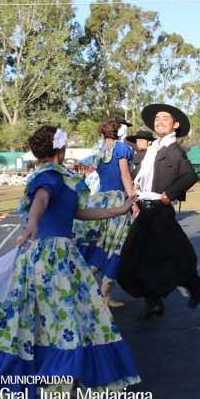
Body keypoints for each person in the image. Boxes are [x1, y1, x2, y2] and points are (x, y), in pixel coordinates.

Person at [0, 125, 140, 399]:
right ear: (60, 149)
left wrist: (119, 210)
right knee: (56, 318)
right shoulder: (48, 177)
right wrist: (33, 221)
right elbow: (41, 199)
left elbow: (80, 212)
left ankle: (52, 385)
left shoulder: (63, 180)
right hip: (49, 258)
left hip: (61, 256)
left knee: (44, 320)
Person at [117, 103, 200, 320]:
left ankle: (195, 285)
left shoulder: (173, 150)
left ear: (175, 125)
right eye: (157, 118)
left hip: (159, 211)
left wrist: (169, 193)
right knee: (135, 258)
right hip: (145, 210)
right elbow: (140, 175)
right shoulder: (153, 150)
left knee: (172, 256)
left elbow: (190, 176)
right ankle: (153, 302)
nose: (159, 121)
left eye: (165, 118)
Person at [73, 120, 135, 309]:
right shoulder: (121, 149)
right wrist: (132, 199)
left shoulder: (97, 150)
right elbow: (125, 175)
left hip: (98, 200)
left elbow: (81, 168)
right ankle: (105, 293)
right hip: (116, 200)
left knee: (94, 240)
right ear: (117, 133)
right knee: (116, 243)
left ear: (101, 134)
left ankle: (82, 288)